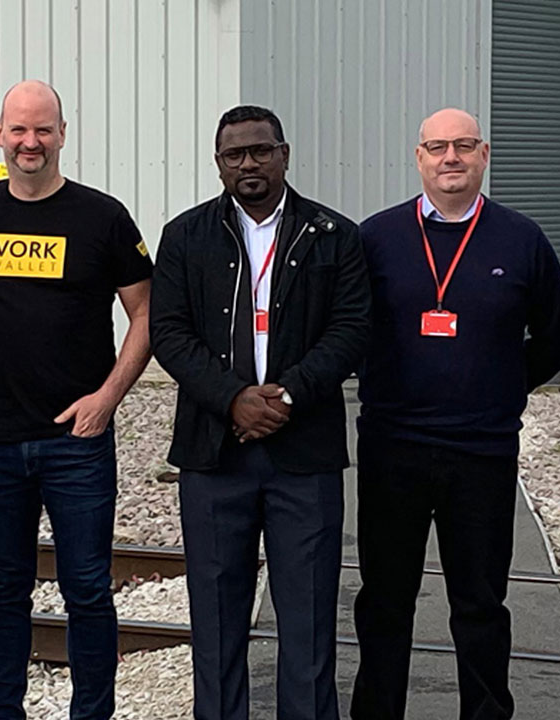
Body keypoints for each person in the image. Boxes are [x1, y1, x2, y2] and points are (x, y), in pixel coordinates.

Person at [0, 79, 152, 720]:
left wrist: (107, 397)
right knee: (4, 590)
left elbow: (146, 312)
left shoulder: (102, 217)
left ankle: (91, 713)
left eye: (43, 129)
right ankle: (3, 712)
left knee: (87, 592)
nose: (30, 142)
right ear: (0, 133)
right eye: (19, 129)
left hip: (77, 442)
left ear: (63, 135)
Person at [349, 108, 560, 720]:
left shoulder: (521, 238)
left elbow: (558, 336)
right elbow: (348, 329)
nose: (450, 158)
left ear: (484, 155)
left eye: (463, 146)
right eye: (437, 147)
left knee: (480, 602)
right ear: (419, 157)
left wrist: (501, 385)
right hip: (392, 446)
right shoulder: (376, 238)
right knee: (384, 600)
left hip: (483, 450)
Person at [150, 105, 370, 720]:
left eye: (260, 151)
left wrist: (289, 394)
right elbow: (169, 333)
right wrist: (232, 399)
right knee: (216, 618)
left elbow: (352, 328)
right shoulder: (185, 236)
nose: (248, 164)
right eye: (234, 155)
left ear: (284, 154)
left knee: (308, 620)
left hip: (304, 453)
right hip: (214, 453)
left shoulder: (334, 235)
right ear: (219, 165)